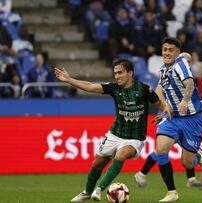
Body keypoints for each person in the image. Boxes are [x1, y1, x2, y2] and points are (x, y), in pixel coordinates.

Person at [54, 59, 169, 202]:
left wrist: (166, 112)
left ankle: (99, 189)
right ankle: (87, 192)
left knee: (121, 155)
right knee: (97, 164)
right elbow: (90, 86)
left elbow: (160, 104)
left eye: (120, 72)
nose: (117, 76)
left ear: (130, 73)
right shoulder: (114, 88)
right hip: (115, 134)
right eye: (115, 73)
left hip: (135, 138)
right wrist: (69, 80)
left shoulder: (144, 89)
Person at [137, 37, 202, 202]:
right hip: (172, 117)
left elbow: (189, 84)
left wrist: (184, 100)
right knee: (161, 148)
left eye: (171, 50)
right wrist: (163, 108)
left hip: (192, 118)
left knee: (188, 164)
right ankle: (171, 192)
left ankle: (198, 154)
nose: (167, 53)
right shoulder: (163, 69)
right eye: (164, 50)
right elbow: (159, 90)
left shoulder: (181, 65)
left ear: (177, 52)